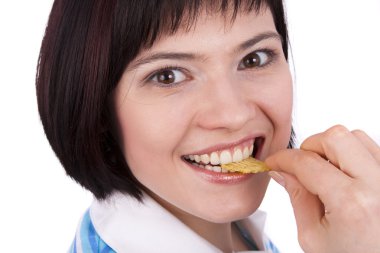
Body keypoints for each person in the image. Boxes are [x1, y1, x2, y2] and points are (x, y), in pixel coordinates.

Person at [35, 0, 380, 252]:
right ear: (98, 111)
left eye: (254, 58)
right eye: (168, 76)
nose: (233, 115)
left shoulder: (238, 235)